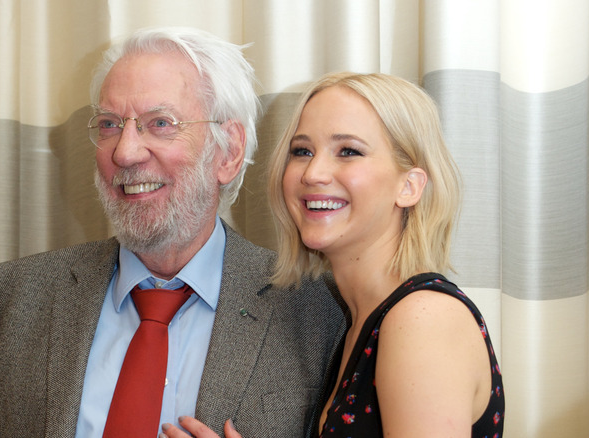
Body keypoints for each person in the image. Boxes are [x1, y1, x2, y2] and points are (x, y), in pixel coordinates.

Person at [0, 27, 345, 438]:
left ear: (228, 151)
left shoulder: (319, 310)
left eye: (161, 123)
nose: (125, 151)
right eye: (110, 124)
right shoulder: (13, 298)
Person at [162, 72, 504, 438]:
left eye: (349, 151)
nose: (313, 172)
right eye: (302, 151)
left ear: (408, 186)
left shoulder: (422, 319)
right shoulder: (361, 318)